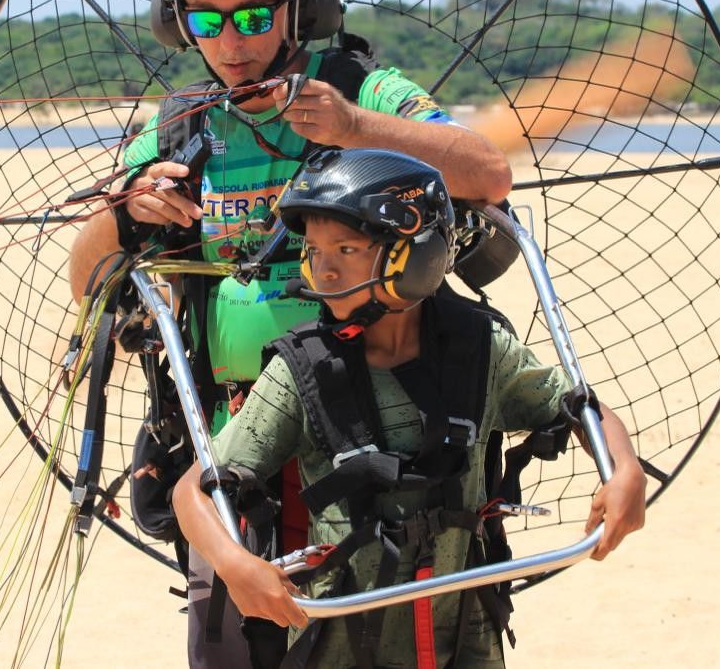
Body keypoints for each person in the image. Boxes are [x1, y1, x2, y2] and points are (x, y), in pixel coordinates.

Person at [67, 0, 512, 667]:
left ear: (299, 11)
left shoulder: (360, 90)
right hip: (237, 439)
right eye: (205, 22)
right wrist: (127, 208)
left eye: (251, 16)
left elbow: (486, 171)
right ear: (179, 26)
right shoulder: (180, 126)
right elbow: (90, 280)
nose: (231, 44)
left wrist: (356, 130)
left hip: (374, 434)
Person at [172, 148, 647, 668]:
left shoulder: (480, 349)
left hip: (464, 624)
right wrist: (235, 563)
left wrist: (622, 471)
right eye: (313, 250)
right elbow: (193, 489)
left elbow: (578, 407)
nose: (323, 270)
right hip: (344, 634)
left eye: (346, 249)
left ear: (413, 256)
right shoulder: (304, 369)